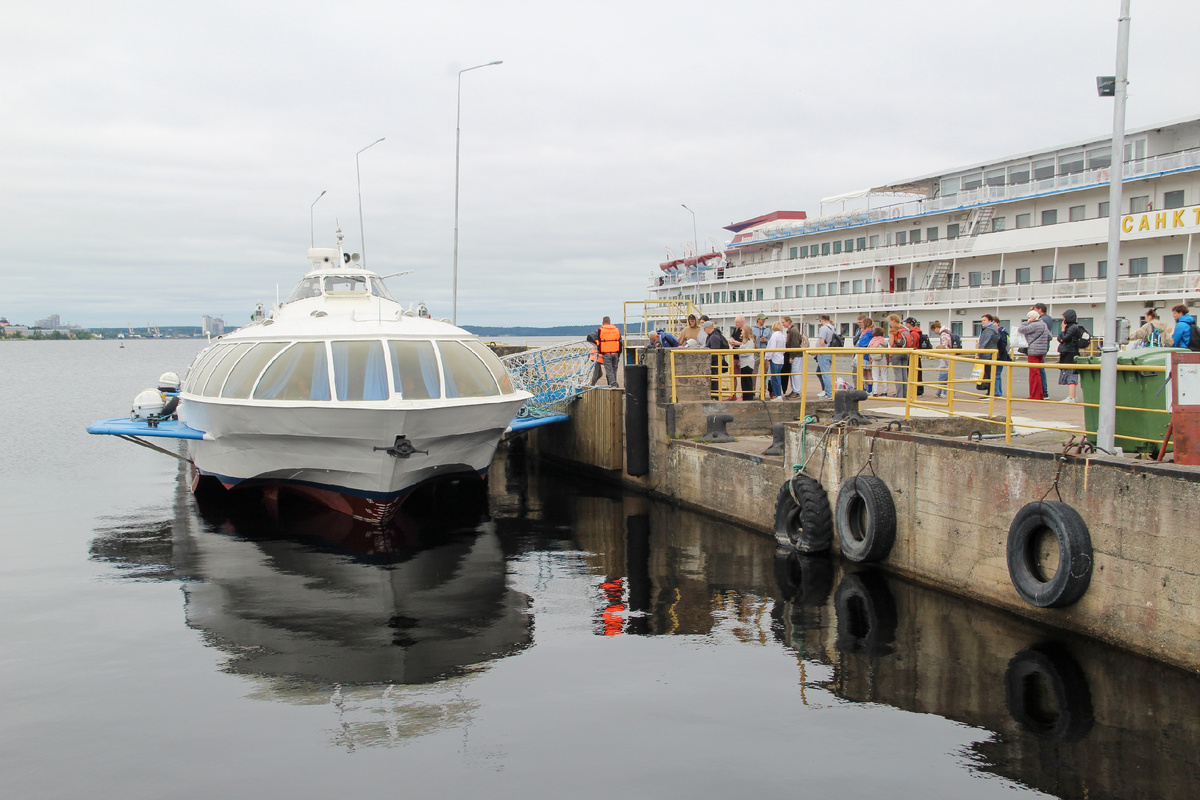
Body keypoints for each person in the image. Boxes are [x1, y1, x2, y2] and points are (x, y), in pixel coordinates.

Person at [1018, 310, 1051, 400]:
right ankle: (1040, 394)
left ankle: (1034, 395)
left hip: (1033, 351)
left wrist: (1027, 322)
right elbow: (1050, 336)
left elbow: (1020, 329)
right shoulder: (1044, 324)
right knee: (1038, 373)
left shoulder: (1033, 325)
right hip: (1042, 351)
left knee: (1034, 374)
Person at [1057, 309, 1088, 403]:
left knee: (1071, 374)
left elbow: (1064, 339)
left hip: (1070, 353)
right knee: (1070, 373)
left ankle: (1071, 397)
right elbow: (1060, 338)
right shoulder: (1070, 327)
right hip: (1069, 352)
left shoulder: (1073, 327)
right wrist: (1062, 334)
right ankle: (1072, 396)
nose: (1063, 320)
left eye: (1064, 317)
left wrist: (1062, 330)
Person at [976, 314, 1008, 396]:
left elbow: (984, 342)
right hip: (991, 354)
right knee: (991, 374)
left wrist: (979, 353)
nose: (982, 322)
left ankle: (991, 393)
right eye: (982, 320)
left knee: (989, 375)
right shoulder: (993, 329)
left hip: (988, 355)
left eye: (984, 320)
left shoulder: (989, 330)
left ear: (990, 321)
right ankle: (992, 392)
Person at [702, 319, 729, 396]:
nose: (704, 331)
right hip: (716, 362)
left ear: (709, 328)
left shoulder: (714, 337)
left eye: (704, 329)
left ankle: (715, 396)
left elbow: (715, 351)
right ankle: (715, 395)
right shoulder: (715, 335)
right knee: (715, 380)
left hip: (715, 363)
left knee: (715, 381)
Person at [733, 316, 757, 400]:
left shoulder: (750, 342)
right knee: (744, 382)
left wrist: (739, 352)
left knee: (747, 381)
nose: (741, 332)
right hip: (744, 364)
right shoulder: (745, 342)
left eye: (743, 331)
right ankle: (746, 397)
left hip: (747, 364)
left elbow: (747, 352)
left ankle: (749, 397)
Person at [595, 316, 622, 387]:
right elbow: (620, 343)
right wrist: (619, 354)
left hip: (606, 353)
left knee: (609, 370)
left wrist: (599, 344)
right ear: (610, 322)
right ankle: (614, 384)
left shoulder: (600, 330)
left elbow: (589, 337)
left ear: (603, 323)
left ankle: (613, 384)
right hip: (615, 353)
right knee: (614, 370)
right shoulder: (616, 330)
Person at [887, 314, 909, 398]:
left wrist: (889, 340)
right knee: (904, 374)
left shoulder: (893, 330)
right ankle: (905, 394)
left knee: (898, 374)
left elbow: (891, 343)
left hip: (896, 353)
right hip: (905, 352)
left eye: (890, 321)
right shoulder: (904, 329)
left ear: (893, 321)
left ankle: (899, 395)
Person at [814, 315, 836, 398]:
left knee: (825, 373)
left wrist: (819, 352)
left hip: (824, 352)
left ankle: (829, 393)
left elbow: (822, 341)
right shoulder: (832, 328)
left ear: (822, 320)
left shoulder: (823, 328)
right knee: (820, 371)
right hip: (830, 351)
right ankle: (826, 390)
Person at [1031, 302, 1051, 395]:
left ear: (1039, 310)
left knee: (1038, 370)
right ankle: (1042, 391)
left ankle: (1043, 391)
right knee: (1040, 368)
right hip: (1044, 345)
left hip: (1039, 347)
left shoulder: (1042, 320)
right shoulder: (1048, 319)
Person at [930, 321, 951, 398]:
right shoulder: (947, 332)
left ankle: (943, 392)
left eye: (934, 330)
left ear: (937, 328)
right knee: (947, 376)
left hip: (946, 356)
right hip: (949, 356)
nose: (934, 332)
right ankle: (944, 392)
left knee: (943, 377)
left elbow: (945, 345)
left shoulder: (943, 334)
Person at [766, 322, 787, 399]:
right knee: (778, 377)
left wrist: (768, 357)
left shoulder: (774, 336)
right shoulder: (782, 336)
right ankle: (778, 394)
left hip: (774, 358)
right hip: (781, 358)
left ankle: (777, 395)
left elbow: (772, 348)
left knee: (774, 378)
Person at [855, 317, 876, 393]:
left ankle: (863, 388)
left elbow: (861, 343)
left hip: (864, 355)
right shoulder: (873, 332)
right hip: (869, 355)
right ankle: (869, 390)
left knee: (863, 373)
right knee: (868, 373)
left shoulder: (866, 333)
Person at [869, 325, 890, 397]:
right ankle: (885, 391)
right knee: (884, 375)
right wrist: (888, 360)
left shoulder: (872, 341)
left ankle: (875, 392)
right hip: (882, 358)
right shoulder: (884, 341)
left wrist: (870, 361)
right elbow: (887, 353)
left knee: (875, 376)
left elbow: (869, 352)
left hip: (874, 358)